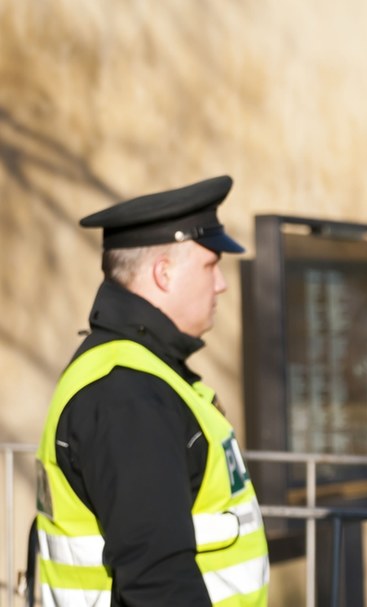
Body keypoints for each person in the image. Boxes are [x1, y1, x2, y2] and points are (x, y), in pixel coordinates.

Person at [35, 175, 270, 606]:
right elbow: (159, 583)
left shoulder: (145, 375)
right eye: (210, 265)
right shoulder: (129, 396)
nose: (221, 284)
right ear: (164, 273)